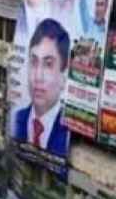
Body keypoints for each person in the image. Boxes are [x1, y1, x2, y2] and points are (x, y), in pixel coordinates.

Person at [11, 18, 72, 155]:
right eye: (34, 62)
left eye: (48, 64)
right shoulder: (16, 119)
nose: (38, 76)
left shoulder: (68, 130)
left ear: (64, 75)